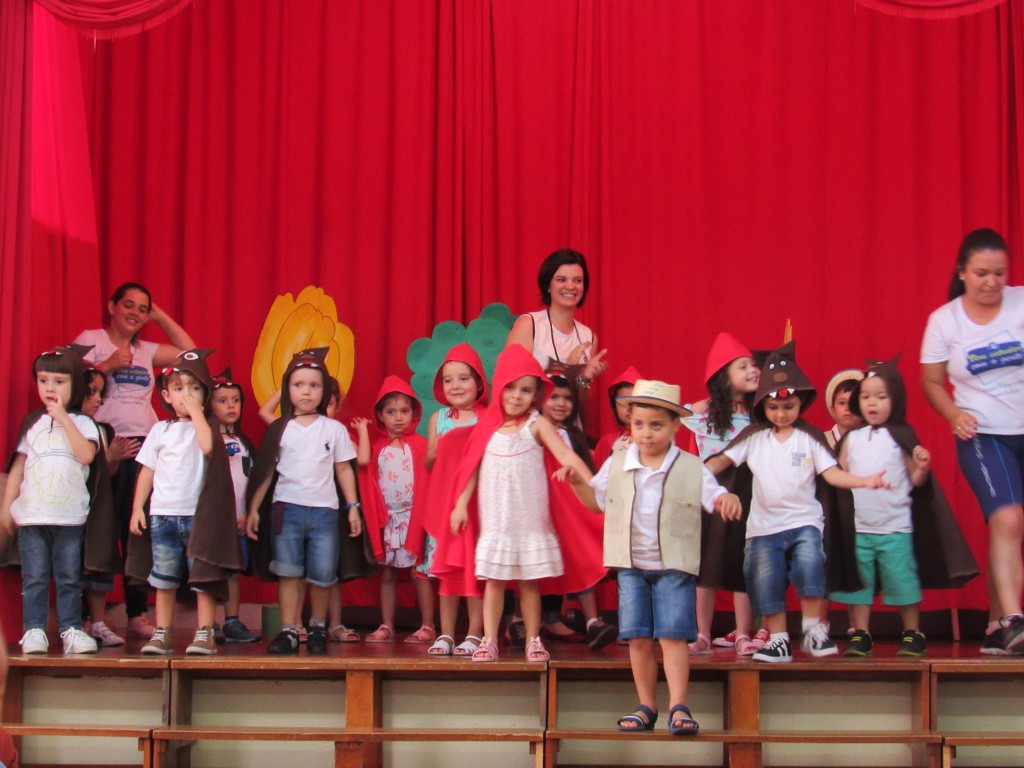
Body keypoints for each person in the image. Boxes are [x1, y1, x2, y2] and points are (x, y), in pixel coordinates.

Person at [560, 379, 742, 735]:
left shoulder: (691, 466)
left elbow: (714, 494)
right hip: (631, 566)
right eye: (638, 424)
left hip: (673, 565)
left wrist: (725, 500)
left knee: (673, 636)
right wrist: (576, 482)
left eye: (656, 425)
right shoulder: (618, 462)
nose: (646, 433)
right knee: (639, 637)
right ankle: (647, 705)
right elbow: (595, 502)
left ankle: (678, 705)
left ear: (675, 425)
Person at [705, 342, 889, 663]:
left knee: (810, 567)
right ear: (762, 405)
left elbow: (832, 475)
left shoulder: (809, 437)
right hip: (762, 528)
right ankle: (777, 640)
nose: (780, 413)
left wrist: (863, 481)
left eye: (788, 406)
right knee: (765, 580)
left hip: (804, 522)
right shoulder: (753, 438)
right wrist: (703, 481)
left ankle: (811, 628)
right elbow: (719, 463)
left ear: (800, 402)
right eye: (773, 407)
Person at [448, 344, 596, 662]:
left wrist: (584, 477)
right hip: (497, 521)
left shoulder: (536, 424)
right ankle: (489, 639)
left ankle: (533, 638)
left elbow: (565, 453)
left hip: (529, 519)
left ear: (536, 394)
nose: (517, 396)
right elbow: (471, 467)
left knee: (529, 584)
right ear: (500, 387)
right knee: (495, 583)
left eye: (526, 390)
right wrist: (461, 503)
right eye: (511, 388)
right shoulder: (487, 427)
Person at [921, 227, 1024, 655]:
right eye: (982, 273)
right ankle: (1016, 620)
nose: (991, 282)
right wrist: (953, 413)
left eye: (999, 274)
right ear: (963, 272)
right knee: (1008, 521)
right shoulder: (945, 320)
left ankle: (997, 627)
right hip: (982, 434)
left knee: (1012, 530)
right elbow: (931, 381)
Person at [74, 282, 196, 639]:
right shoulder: (92, 337)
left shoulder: (147, 349)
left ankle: (136, 613)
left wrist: (159, 315)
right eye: (129, 305)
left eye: (143, 309)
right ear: (111, 305)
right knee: (99, 530)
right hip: (102, 443)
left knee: (138, 533)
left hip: (144, 445)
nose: (135, 313)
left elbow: (192, 353)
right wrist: (109, 364)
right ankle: (89, 615)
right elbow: (75, 384)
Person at [246, 348, 366, 655]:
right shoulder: (280, 428)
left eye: (314, 385)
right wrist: (254, 510)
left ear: (324, 391)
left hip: (325, 513)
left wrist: (352, 507)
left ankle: (316, 628)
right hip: (286, 510)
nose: (306, 391)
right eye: (298, 384)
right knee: (289, 572)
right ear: (287, 389)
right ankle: (288, 631)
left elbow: (344, 470)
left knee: (323, 575)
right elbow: (266, 472)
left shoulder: (334, 429)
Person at [129, 350, 242, 655]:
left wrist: (195, 414)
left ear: (205, 395)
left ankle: (204, 631)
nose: (186, 396)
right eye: (178, 389)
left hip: (198, 517)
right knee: (163, 577)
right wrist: (138, 507)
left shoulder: (206, 428)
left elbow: (208, 447)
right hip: (163, 515)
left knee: (202, 578)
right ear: (166, 395)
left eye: (194, 389)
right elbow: (147, 471)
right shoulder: (159, 430)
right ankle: (162, 631)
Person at [1, 346, 105, 655]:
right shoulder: (32, 423)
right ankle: (34, 630)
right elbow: (19, 467)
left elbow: (86, 455)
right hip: (33, 517)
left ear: (75, 385)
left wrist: (62, 416)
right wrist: (7, 508)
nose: (49, 388)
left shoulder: (85, 424)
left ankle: (70, 629)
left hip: (69, 517)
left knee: (68, 577)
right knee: (33, 577)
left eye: (58, 381)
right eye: (43, 380)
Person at [829, 359, 931, 657]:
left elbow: (915, 478)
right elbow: (840, 475)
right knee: (858, 585)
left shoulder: (901, 437)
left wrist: (922, 466)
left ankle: (912, 632)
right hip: (860, 527)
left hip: (895, 527)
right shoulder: (852, 438)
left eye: (881, 397)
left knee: (903, 581)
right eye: (866, 397)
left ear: (894, 400)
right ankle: (861, 633)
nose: (872, 403)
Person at [681, 333, 763, 655]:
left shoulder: (762, 413)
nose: (752, 370)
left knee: (742, 566)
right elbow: (691, 454)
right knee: (707, 567)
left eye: (753, 365)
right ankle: (702, 633)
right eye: (742, 366)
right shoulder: (703, 416)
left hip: (749, 493)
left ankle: (743, 632)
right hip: (711, 495)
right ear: (722, 377)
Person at [416, 343, 488, 656]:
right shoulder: (439, 417)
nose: (455, 386)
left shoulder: (487, 417)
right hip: (446, 506)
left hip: (476, 507)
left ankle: (474, 632)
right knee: (445, 571)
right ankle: (446, 633)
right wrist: (437, 451)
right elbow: (430, 463)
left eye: (463, 379)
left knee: (473, 572)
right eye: (448, 380)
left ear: (478, 382)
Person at [352, 376, 435, 644]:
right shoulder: (376, 447)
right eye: (391, 412)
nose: (398, 417)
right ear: (380, 414)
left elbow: (430, 479)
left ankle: (428, 626)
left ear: (414, 413)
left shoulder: (421, 445)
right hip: (387, 518)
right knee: (387, 573)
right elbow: (366, 477)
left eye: (404, 411)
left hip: (415, 516)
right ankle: (386, 624)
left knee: (418, 572)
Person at [538, 373, 617, 648]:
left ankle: (592, 621)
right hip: (543, 508)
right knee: (540, 564)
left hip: (571, 508)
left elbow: (581, 467)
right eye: (554, 397)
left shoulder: (572, 434)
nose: (561, 403)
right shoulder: (535, 429)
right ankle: (527, 622)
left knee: (581, 554)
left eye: (567, 398)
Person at [79, 365, 134, 647]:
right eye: (91, 393)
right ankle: (75, 621)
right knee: (71, 567)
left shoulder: (103, 429)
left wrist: (112, 459)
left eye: (102, 393)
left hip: (98, 510)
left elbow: (106, 475)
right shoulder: (61, 423)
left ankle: (98, 621)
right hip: (69, 509)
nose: (98, 399)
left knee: (99, 563)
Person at [505, 248, 608, 395]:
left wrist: (584, 379)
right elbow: (510, 386)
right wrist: (568, 370)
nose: (570, 286)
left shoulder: (589, 337)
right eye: (561, 280)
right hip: (533, 417)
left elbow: (582, 398)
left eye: (577, 280)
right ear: (548, 285)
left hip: (573, 417)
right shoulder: (529, 325)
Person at [208, 369, 260, 643]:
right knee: (208, 572)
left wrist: (247, 512)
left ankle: (232, 621)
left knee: (232, 571)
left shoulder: (244, 441)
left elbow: (251, 481)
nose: (231, 406)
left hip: (238, 520)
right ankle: (207, 624)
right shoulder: (205, 440)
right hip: (212, 519)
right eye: (223, 400)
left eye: (236, 400)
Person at [592, 366, 643, 468]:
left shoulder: (653, 438)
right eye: (622, 403)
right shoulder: (607, 442)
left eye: (634, 402)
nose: (629, 408)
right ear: (614, 406)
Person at [824, 369, 864, 449]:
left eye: (854, 403)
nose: (847, 408)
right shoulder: (820, 441)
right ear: (833, 410)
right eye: (842, 403)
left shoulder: (872, 442)